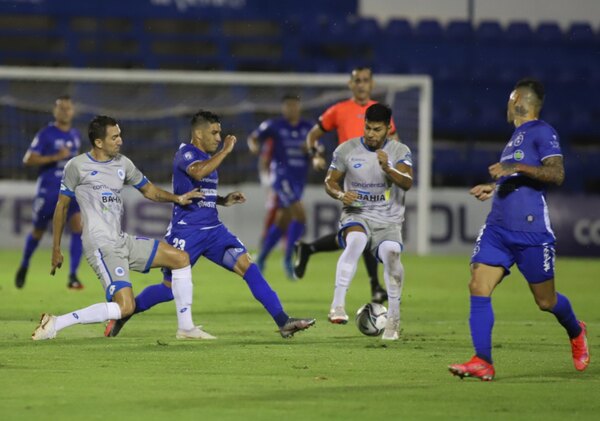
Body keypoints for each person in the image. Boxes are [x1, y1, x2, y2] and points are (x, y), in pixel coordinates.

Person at [104, 110, 315, 339]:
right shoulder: (186, 153)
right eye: (214, 132)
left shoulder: (207, 157)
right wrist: (226, 150)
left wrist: (223, 200)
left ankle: (283, 321)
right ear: (198, 133)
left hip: (215, 231)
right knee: (168, 290)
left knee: (248, 267)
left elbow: (200, 192)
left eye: (220, 133)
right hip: (187, 232)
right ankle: (124, 312)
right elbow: (198, 172)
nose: (218, 137)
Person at [448, 79, 590, 381]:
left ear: (517, 99)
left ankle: (576, 331)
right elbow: (517, 176)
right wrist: (494, 186)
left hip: (531, 232)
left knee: (546, 302)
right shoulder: (515, 138)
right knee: (478, 285)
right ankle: (483, 360)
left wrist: (517, 168)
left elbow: (556, 174)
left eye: (509, 98)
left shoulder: (542, 131)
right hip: (498, 229)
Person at [31, 115, 206, 340]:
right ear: (99, 142)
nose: (120, 140)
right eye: (114, 137)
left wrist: (178, 199)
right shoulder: (77, 166)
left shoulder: (123, 164)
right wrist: (56, 248)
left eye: (120, 135)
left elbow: (150, 191)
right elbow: (61, 207)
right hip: (101, 245)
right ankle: (56, 323)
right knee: (125, 307)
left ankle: (186, 328)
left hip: (121, 240)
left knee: (181, 259)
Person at [294, 67, 399, 304]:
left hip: (378, 180)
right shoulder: (339, 110)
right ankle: (375, 288)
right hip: (353, 178)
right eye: (357, 81)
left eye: (365, 81)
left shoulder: (380, 113)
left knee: (358, 234)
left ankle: (308, 248)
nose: (361, 85)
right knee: (365, 230)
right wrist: (315, 155)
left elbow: (395, 141)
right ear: (350, 84)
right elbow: (312, 135)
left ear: (371, 84)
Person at [324, 103, 412, 341]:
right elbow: (330, 182)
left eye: (377, 129)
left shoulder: (399, 150)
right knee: (356, 241)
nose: (371, 134)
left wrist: (388, 168)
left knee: (392, 256)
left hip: (388, 220)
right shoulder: (346, 149)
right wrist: (342, 195)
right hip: (356, 213)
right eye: (367, 128)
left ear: (388, 128)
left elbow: (407, 182)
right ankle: (337, 305)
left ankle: (393, 319)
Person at [15, 95, 85, 290]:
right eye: (61, 108)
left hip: (69, 189)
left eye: (68, 108)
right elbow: (28, 159)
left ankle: (72, 275)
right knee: (38, 231)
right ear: (55, 111)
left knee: (78, 226)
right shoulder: (46, 134)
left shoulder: (76, 135)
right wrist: (55, 157)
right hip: (48, 190)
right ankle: (25, 264)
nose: (64, 111)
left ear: (73, 111)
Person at [247, 94, 313, 279]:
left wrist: (314, 153)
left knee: (283, 220)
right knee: (300, 215)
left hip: (299, 178)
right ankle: (288, 258)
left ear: (299, 107)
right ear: (283, 108)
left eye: (294, 105)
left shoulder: (308, 127)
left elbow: (317, 148)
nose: (291, 109)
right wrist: (254, 146)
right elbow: (254, 137)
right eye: (288, 106)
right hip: (281, 176)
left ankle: (262, 257)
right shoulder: (274, 125)